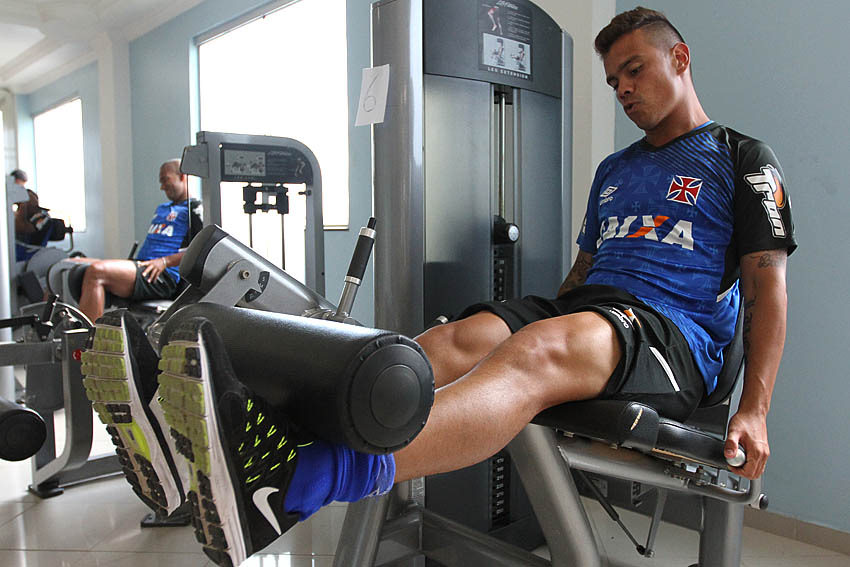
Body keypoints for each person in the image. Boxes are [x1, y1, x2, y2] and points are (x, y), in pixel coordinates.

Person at [83, 8, 795, 566]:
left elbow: (768, 288)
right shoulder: (615, 169)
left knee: (539, 349)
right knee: (453, 338)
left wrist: (755, 410)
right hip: (596, 313)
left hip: (675, 336)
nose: (624, 89)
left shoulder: (740, 157)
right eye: (614, 81)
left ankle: (308, 479)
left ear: (680, 59)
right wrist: (529, 323)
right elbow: (583, 274)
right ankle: (229, 442)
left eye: (634, 70)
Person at [61, 159, 202, 321]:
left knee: (96, 272)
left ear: (182, 177)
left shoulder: (194, 209)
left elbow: (199, 251)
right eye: (160, 182)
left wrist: (164, 262)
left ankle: (89, 335)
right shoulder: (163, 209)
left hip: (161, 276)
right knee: (75, 263)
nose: (162, 187)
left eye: (165, 180)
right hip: (142, 266)